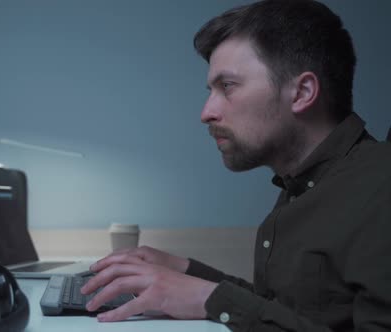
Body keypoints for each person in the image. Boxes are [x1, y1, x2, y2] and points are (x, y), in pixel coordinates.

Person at [80, 0, 391, 330]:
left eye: (227, 86)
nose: (206, 113)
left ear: (302, 93)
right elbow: (283, 313)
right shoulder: (304, 188)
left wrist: (210, 298)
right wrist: (185, 271)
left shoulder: (381, 189)